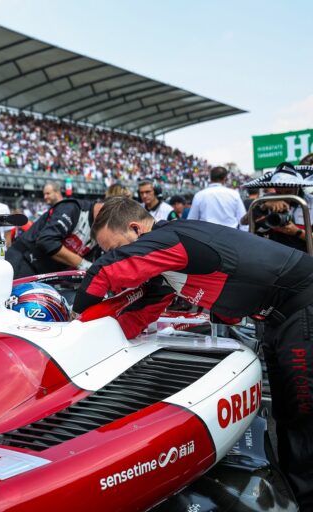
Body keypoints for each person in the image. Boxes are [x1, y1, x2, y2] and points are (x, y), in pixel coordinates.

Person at [72, 197, 313, 508]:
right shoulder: (169, 263)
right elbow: (141, 316)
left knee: (303, 416)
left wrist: (76, 323)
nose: (112, 254)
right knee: (288, 412)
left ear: (135, 229)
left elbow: (104, 272)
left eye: (115, 246)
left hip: (301, 309)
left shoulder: (170, 237)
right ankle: (296, 490)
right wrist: (99, 341)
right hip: (280, 317)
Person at [5, 197, 103, 278]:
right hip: (24, 260)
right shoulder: (72, 208)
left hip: (48, 273)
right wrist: (82, 263)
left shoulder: (101, 229)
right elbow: (46, 241)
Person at [240, 162, 313, 252]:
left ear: (297, 187)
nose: (283, 196)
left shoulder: (310, 202)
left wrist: (297, 232)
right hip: (274, 256)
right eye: (279, 192)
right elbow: (244, 221)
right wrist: (264, 206)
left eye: (288, 192)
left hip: (303, 257)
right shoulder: (268, 198)